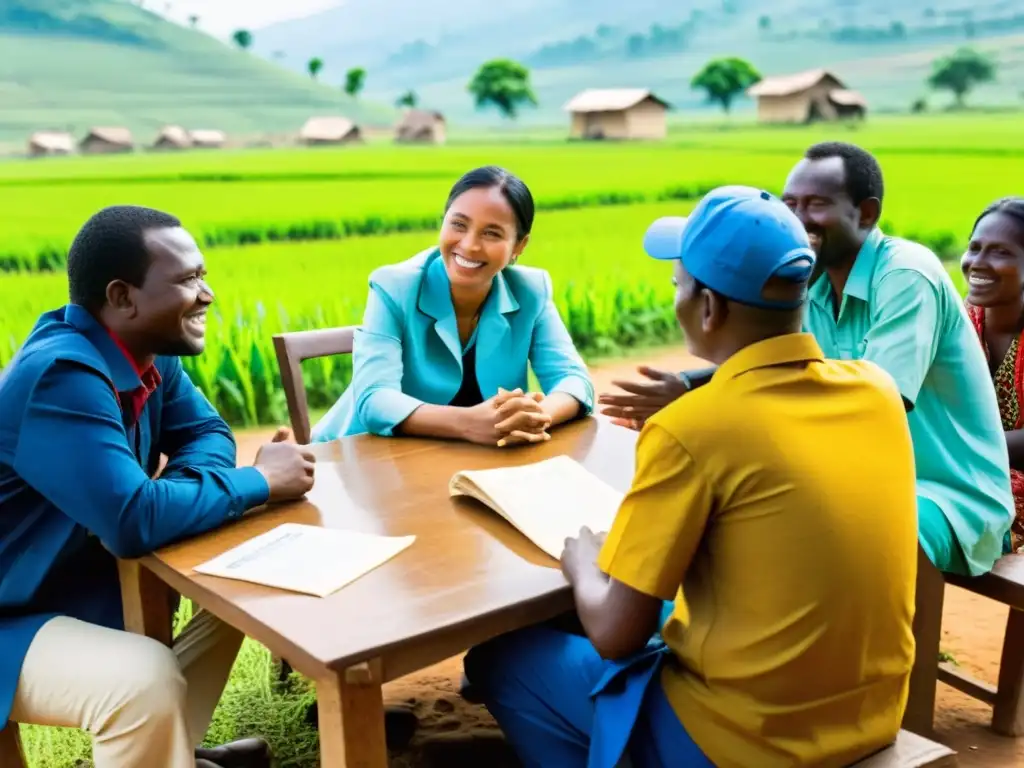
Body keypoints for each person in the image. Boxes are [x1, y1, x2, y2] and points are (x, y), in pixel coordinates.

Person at [463, 186, 919, 768]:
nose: (675, 298)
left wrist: (582, 561)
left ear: (707, 307)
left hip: (743, 740)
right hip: (869, 716)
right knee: (663, 616)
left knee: (501, 658)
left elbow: (615, 634)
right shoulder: (875, 389)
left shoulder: (692, 427)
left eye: (678, 284)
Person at [600, 141, 1015, 578]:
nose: (799, 219)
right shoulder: (810, 280)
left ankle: (909, 649)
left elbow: (879, 402)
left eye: (817, 204)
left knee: (875, 528)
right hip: (867, 475)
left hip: (950, 493)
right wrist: (688, 388)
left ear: (867, 214)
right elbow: (779, 367)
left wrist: (714, 417)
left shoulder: (906, 273)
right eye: (790, 204)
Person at [0, 206, 317, 768]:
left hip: (61, 584)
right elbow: (130, 523)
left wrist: (171, 497)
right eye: (188, 280)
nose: (207, 294)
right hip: (12, 615)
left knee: (248, 576)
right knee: (140, 681)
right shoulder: (61, 375)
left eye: (203, 275)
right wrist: (260, 480)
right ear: (122, 297)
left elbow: (207, 432)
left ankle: (169, 752)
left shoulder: (144, 352)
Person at [311, 166, 593, 445]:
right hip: (358, 455)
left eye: (492, 233)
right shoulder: (394, 286)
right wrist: (470, 424)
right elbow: (374, 399)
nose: (470, 245)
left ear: (519, 245)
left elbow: (573, 379)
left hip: (454, 457)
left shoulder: (531, 291)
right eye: (458, 224)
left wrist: (537, 416)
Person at [961, 197, 1024, 552]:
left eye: (1000, 252)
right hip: (977, 470)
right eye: (974, 248)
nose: (978, 263)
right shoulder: (957, 323)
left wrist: (957, 448)